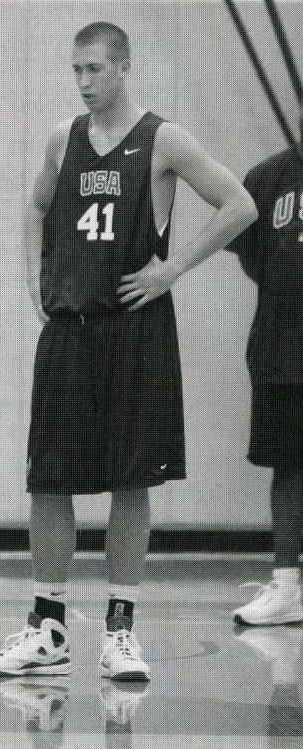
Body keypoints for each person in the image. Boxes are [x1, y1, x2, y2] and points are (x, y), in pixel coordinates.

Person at [0, 22, 257, 681]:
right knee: (50, 478)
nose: (84, 81)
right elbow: (37, 205)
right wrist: (33, 278)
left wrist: (173, 266)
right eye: (76, 70)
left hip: (136, 332)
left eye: (95, 69)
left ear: (124, 67)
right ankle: (47, 628)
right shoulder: (62, 140)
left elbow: (238, 203)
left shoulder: (163, 140)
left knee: (134, 478)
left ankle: (121, 630)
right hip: (72, 330)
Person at [226, 133, 303, 627]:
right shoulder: (267, 177)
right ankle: (287, 588)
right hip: (283, 348)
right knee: (289, 467)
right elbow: (254, 258)